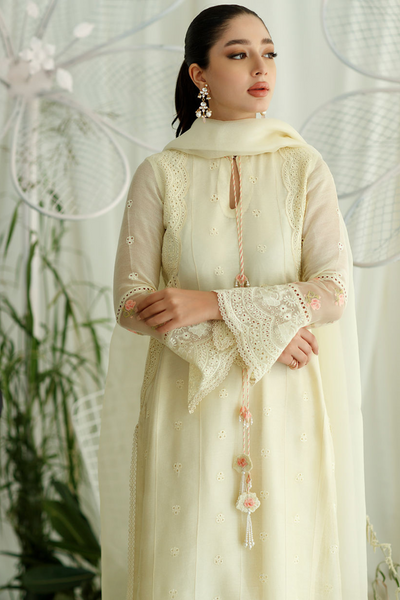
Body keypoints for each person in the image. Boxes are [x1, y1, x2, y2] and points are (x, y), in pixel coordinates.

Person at [98, 5, 368, 599]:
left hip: (286, 402)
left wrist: (214, 305)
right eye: (239, 54)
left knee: (285, 567)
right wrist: (268, 329)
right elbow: (131, 303)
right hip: (187, 401)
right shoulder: (161, 173)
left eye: (268, 52)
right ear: (199, 73)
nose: (260, 67)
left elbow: (333, 291)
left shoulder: (304, 166)